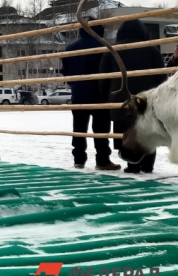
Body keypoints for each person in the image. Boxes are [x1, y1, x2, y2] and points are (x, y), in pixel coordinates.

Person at [99, 20, 169, 173]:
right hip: (147, 103)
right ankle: (148, 165)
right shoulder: (152, 50)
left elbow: (103, 79)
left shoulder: (112, 51)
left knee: (126, 133)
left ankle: (132, 165)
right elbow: (161, 78)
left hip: (121, 102)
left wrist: (107, 99)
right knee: (148, 132)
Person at [61, 24, 120, 171]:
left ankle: (79, 160)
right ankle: (102, 160)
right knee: (101, 130)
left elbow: (66, 71)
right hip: (99, 94)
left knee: (79, 129)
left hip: (78, 93)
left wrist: (74, 84)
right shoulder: (104, 47)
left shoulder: (70, 48)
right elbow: (111, 70)